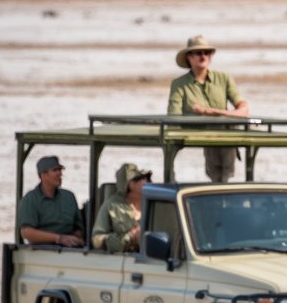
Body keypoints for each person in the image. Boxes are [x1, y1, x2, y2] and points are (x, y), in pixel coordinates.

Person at [167, 34, 249, 183]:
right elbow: (173, 118)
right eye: (198, 53)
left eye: (207, 52)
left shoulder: (223, 79)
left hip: (224, 134)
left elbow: (243, 110)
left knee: (226, 174)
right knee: (214, 174)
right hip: (197, 134)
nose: (203, 56)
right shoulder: (179, 84)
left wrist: (211, 112)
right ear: (189, 57)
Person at [18, 155, 84, 247]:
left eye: (60, 170)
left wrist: (75, 238)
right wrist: (59, 238)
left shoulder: (69, 197)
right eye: (55, 170)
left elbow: (78, 227)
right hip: (41, 250)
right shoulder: (31, 199)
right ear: (43, 175)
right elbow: (27, 232)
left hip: (70, 249)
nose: (59, 174)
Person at [92, 162, 152, 252]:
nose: (147, 182)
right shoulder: (112, 205)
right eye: (142, 179)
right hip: (123, 256)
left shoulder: (153, 203)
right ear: (131, 184)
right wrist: (129, 238)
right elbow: (97, 240)